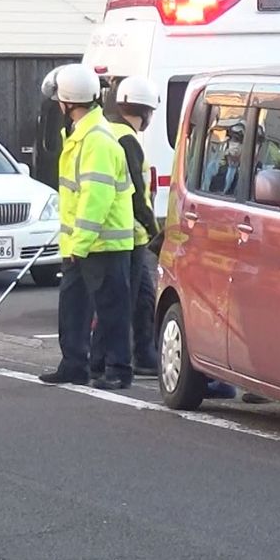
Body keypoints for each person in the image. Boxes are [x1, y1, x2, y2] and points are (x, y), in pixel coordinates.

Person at [38, 63, 136, 390]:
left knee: (110, 311)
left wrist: (79, 244)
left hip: (102, 245)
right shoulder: (82, 136)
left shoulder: (96, 140)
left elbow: (97, 198)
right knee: (74, 305)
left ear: (67, 102)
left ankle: (118, 370)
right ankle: (74, 364)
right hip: (84, 243)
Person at [89, 75, 161, 380]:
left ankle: (144, 355)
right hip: (128, 234)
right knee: (124, 302)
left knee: (142, 299)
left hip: (128, 234)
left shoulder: (107, 130)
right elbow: (134, 191)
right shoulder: (126, 138)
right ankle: (105, 361)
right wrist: (154, 228)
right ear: (143, 111)